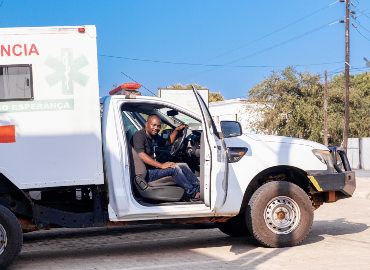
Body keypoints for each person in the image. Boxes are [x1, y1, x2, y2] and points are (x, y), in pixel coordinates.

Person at [132, 114, 200, 201]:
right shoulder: (138, 136)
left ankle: (199, 188)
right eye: (154, 125)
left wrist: (176, 130)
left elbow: (168, 142)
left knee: (182, 166)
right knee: (174, 169)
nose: (156, 128)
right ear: (146, 124)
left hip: (154, 168)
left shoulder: (154, 136)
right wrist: (161, 165)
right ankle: (194, 194)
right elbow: (141, 155)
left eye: (158, 126)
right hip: (147, 172)